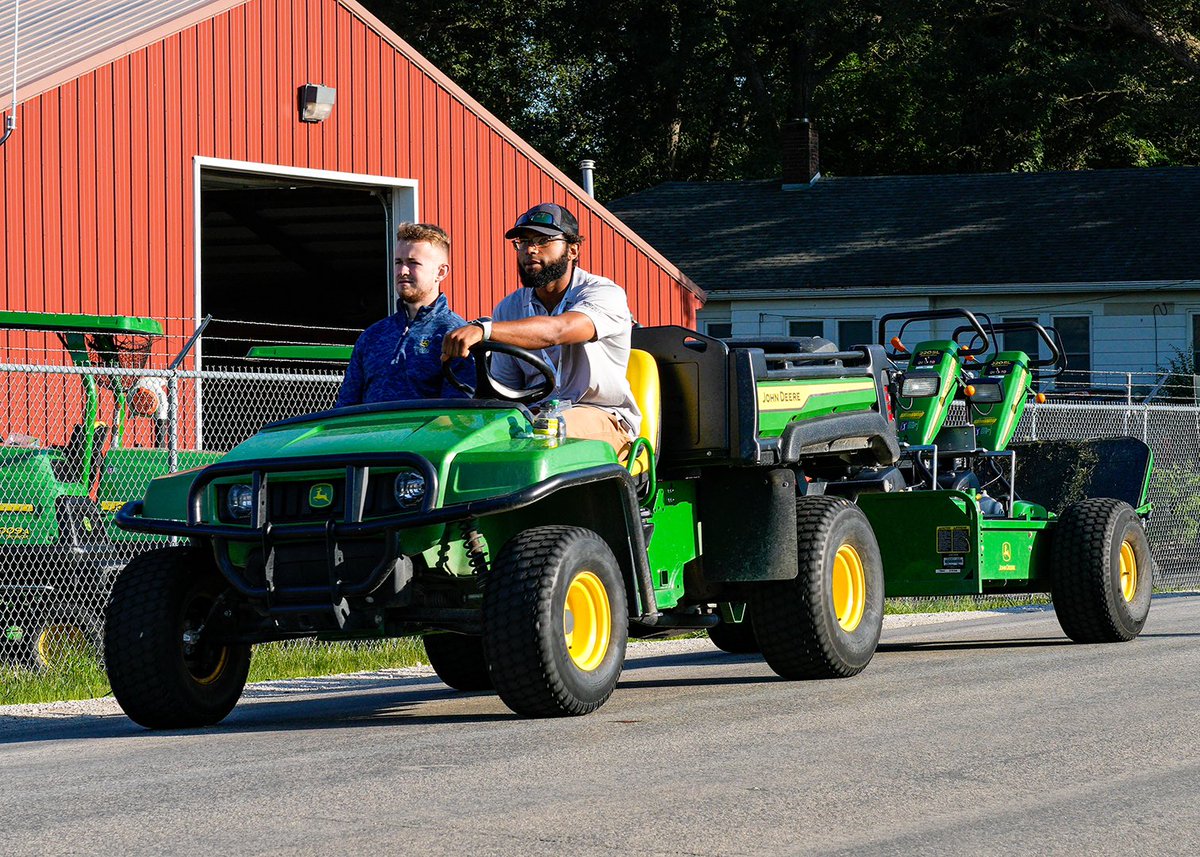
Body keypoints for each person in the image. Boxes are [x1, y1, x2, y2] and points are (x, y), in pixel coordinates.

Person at [441, 202, 639, 459]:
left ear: (572, 250)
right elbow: (506, 392)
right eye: (523, 242)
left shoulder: (603, 293)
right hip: (534, 418)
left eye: (543, 240)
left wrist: (483, 330)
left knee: (549, 433)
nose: (530, 250)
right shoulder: (509, 308)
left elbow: (557, 331)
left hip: (601, 415)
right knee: (467, 442)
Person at [336, 222, 470, 407]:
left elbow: (456, 415)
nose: (402, 271)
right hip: (369, 435)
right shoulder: (372, 337)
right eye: (398, 262)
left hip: (426, 436)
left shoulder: (455, 335)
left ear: (441, 272)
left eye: (413, 263)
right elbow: (345, 407)